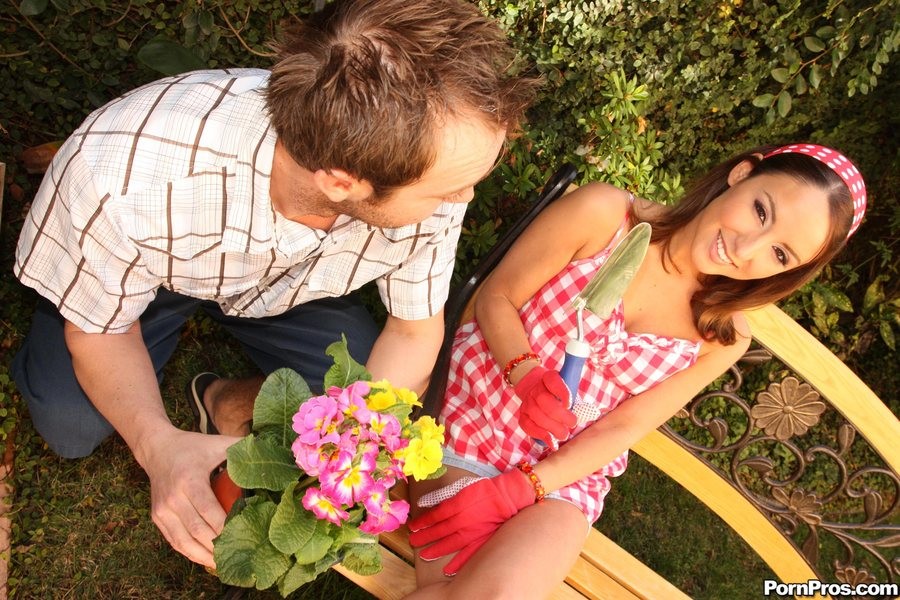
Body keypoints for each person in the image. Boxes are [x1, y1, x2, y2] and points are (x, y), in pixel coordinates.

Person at [11, 0, 538, 569]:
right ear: (341, 181)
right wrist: (157, 446)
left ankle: (224, 396)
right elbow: (98, 335)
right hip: (152, 280)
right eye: (446, 190)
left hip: (293, 290)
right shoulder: (124, 179)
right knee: (71, 423)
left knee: (370, 385)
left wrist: (348, 448)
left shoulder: (435, 165)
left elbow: (413, 333)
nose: (464, 200)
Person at [405, 143, 867, 598]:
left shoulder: (721, 338)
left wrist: (524, 487)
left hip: (560, 483)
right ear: (742, 174)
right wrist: (524, 373)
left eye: (780, 254)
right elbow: (496, 296)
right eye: (761, 211)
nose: (747, 250)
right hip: (472, 423)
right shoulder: (605, 216)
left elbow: (623, 427)